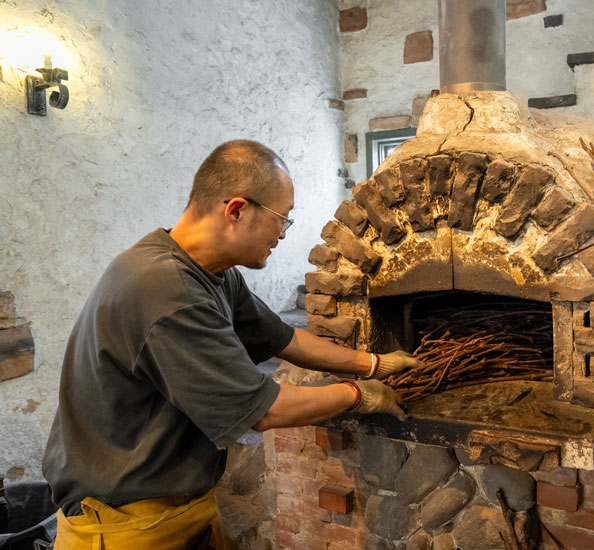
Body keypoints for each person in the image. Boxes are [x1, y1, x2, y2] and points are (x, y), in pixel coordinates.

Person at [42, 140, 421, 550]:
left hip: (181, 505)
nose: (282, 232)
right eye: (283, 218)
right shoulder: (168, 290)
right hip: (126, 524)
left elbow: (284, 337)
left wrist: (373, 363)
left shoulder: (210, 270)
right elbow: (266, 410)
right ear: (237, 210)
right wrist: (359, 395)